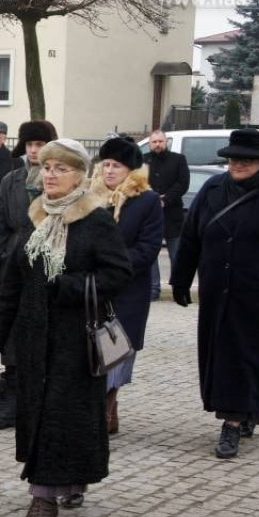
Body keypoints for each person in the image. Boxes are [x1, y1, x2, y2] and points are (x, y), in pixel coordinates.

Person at [0, 139, 131, 517]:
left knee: (62, 415)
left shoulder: (95, 219)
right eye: (46, 167)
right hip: (34, 337)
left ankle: (43, 498)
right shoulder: (37, 217)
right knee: (41, 414)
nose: (49, 175)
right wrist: (1, 328)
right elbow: (16, 277)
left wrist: (69, 287)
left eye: (59, 169)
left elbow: (119, 273)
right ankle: (67, 481)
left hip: (75, 340)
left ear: (80, 176)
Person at [171, 129, 259, 459]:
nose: (237, 164)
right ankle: (249, 410)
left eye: (245, 159)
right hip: (216, 288)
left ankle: (231, 422)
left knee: (246, 353)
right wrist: (180, 279)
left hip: (258, 291)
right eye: (232, 158)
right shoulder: (213, 188)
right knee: (220, 352)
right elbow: (190, 237)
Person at [0, 120, 57, 429]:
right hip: (13, 261)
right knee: (10, 330)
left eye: (40, 145)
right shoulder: (10, 180)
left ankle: (43, 400)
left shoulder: (60, 180)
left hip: (49, 262)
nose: (35, 151)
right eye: (30, 145)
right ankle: (10, 399)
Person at [89, 137, 163, 434]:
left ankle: (106, 407)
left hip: (127, 290)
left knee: (117, 350)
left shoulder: (146, 200)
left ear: (130, 169)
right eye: (105, 164)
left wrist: (111, 266)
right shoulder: (90, 198)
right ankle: (101, 409)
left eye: (116, 165)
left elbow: (147, 248)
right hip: (91, 288)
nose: (108, 171)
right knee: (91, 350)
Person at [145, 129, 189, 300]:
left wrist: (166, 198)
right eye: (154, 142)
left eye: (160, 141)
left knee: (176, 254)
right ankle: (153, 289)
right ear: (150, 144)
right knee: (151, 254)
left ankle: (179, 289)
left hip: (173, 214)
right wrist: (152, 199)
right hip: (150, 215)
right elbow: (138, 182)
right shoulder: (143, 161)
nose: (157, 144)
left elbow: (183, 183)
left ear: (166, 142)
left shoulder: (178, 160)